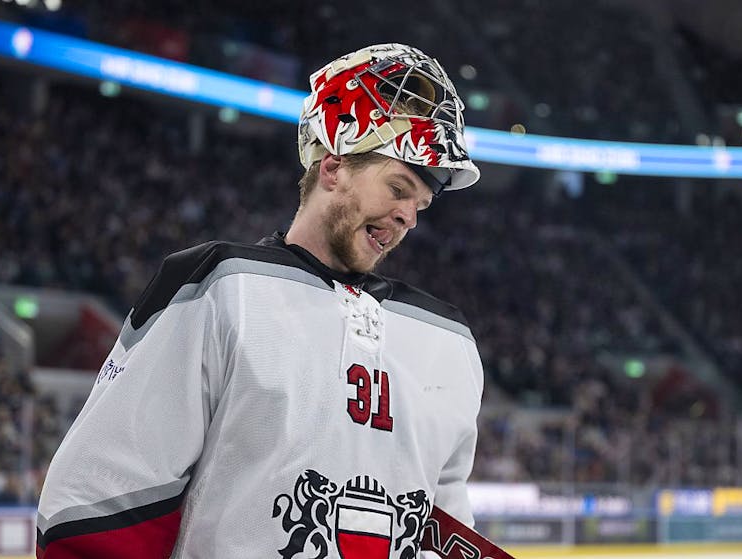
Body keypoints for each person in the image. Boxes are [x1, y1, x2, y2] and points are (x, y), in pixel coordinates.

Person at [35, 43, 484, 558]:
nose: (409, 216)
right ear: (333, 167)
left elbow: (442, 531)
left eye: (422, 204)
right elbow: (96, 505)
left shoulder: (448, 339)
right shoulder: (221, 288)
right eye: (399, 188)